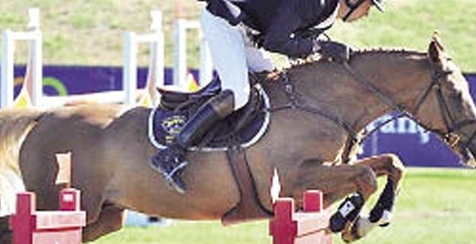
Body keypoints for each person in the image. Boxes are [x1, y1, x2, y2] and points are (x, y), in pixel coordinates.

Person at [151, 0, 385, 193]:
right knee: (238, 93)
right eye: (369, 6)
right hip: (226, 23)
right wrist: (320, 48)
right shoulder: (316, 3)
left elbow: (292, 45)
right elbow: (276, 42)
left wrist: (324, 54)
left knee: (272, 83)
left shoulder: (326, 13)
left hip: (250, 34)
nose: (367, 14)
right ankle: (173, 152)